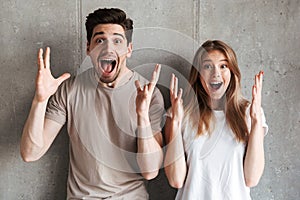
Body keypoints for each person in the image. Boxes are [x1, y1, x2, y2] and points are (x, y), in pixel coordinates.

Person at [20, 8, 165, 199]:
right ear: (88, 48)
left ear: (128, 49)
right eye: (100, 40)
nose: (108, 48)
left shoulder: (149, 94)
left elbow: (151, 171)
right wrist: (40, 100)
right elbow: (30, 153)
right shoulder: (69, 90)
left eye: (117, 40)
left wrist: (142, 118)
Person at [164, 40, 268, 200]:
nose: (216, 74)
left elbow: (252, 178)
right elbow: (176, 180)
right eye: (207, 66)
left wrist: (255, 121)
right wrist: (176, 124)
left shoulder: (250, 113)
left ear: (232, 72)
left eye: (223, 66)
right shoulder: (179, 114)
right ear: (198, 74)